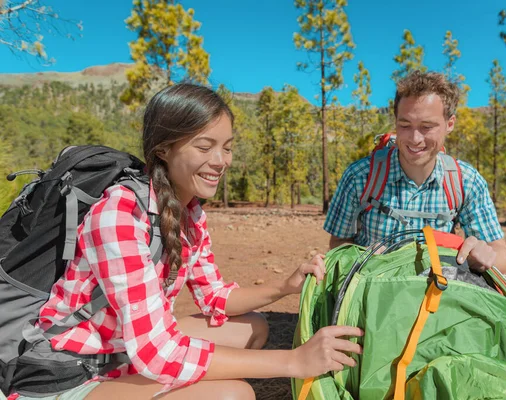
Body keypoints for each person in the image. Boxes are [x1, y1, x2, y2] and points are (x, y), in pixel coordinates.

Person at [10, 84, 362, 400]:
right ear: (163, 149)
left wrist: (283, 286)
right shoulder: (120, 214)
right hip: (66, 374)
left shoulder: (189, 213)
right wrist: (293, 361)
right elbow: (158, 352)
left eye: (227, 148)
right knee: (233, 396)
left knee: (254, 327)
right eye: (205, 147)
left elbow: (215, 298)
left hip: (121, 350)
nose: (221, 161)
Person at [324, 71, 506, 331]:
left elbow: (503, 256)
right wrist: (362, 258)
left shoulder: (465, 181)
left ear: (450, 123)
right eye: (404, 125)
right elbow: (337, 246)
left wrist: (481, 256)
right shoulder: (361, 176)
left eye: (427, 127)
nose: (414, 139)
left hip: (443, 286)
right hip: (377, 288)